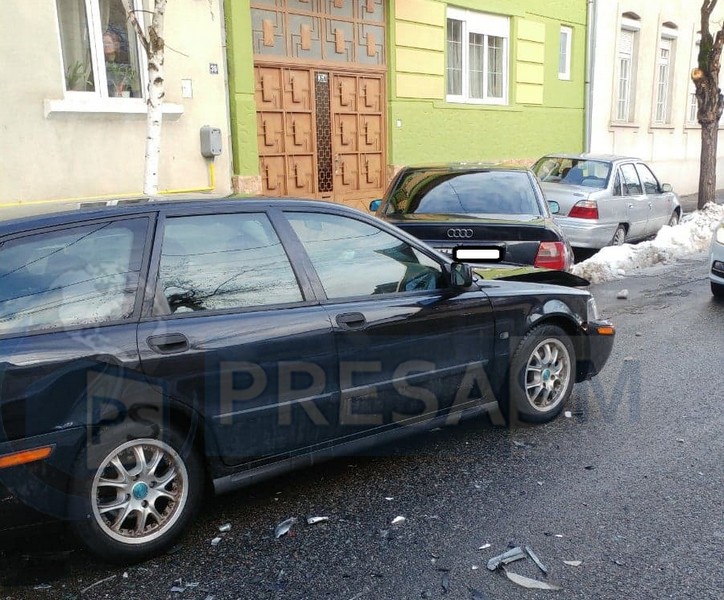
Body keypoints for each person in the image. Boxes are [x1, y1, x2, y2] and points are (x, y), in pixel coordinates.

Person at [103, 30, 135, 97]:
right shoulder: (99, 62)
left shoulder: (124, 61)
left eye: (108, 43)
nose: (105, 45)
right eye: (104, 43)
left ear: (116, 45)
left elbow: (130, 78)